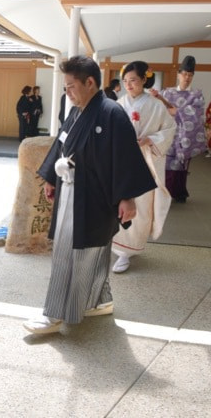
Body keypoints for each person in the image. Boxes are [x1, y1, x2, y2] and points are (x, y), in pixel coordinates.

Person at [23, 56, 156, 334]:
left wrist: (127, 196)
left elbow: (124, 156)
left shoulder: (111, 113)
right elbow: (62, 143)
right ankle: (97, 301)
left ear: (90, 82)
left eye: (71, 87)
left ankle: (56, 313)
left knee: (85, 253)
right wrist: (51, 178)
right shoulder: (76, 112)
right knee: (74, 251)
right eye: (65, 88)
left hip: (95, 197)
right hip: (71, 192)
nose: (67, 93)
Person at [111, 61, 176, 274]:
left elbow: (169, 128)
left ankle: (126, 252)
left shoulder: (156, 105)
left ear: (144, 80)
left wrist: (150, 139)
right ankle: (115, 244)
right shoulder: (119, 104)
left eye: (134, 80)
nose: (129, 85)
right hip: (122, 160)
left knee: (140, 203)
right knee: (118, 201)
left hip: (146, 160)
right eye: (126, 81)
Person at [160, 56, 206, 203]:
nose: (187, 78)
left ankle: (179, 192)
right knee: (167, 162)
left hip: (186, 135)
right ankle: (166, 193)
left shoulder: (197, 94)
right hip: (169, 133)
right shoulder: (167, 93)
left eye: (190, 75)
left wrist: (177, 111)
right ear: (179, 74)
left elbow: (197, 114)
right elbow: (160, 110)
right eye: (184, 74)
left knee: (181, 164)